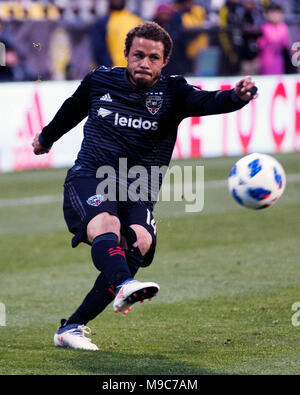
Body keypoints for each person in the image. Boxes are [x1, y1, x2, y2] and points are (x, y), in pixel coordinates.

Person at [32, 21, 258, 351]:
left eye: (154, 57)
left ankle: (72, 327)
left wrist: (236, 97)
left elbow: (209, 102)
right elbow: (72, 110)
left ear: (165, 61)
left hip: (139, 188)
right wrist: (46, 139)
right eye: (138, 55)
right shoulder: (100, 81)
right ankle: (124, 283)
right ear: (126, 54)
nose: (144, 63)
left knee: (139, 242)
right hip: (91, 175)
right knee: (107, 226)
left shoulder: (174, 92)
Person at [89, 0, 142, 68]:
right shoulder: (102, 22)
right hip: (111, 71)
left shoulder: (136, 20)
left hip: (133, 70)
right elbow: (99, 50)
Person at [257, 3, 291, 75]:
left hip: (280, 60)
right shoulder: (264, 27)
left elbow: (286, 44)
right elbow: (269, 40)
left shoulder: (283, 27)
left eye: (278, 13)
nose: (275, 16)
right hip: (266, 61)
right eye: (272, 13)